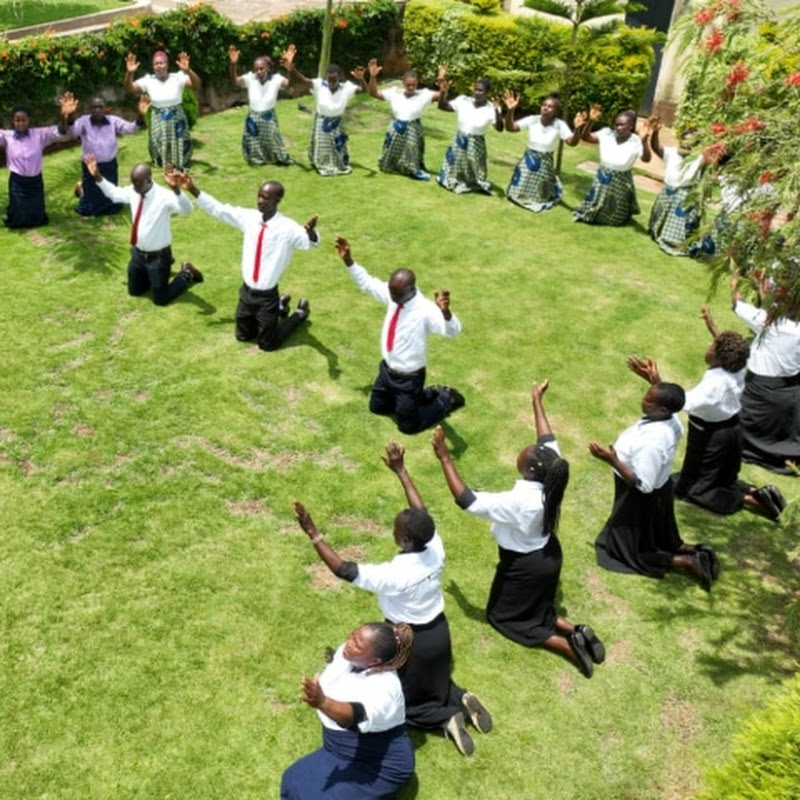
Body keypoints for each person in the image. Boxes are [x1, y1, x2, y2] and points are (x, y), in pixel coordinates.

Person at [293, 441, 492, 757]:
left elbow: (344, 570)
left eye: (397, 528)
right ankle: (461, 698)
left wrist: (314, 534)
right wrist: (401, 471)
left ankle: (447, 719)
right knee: (436, 680)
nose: (394, 529)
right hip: (439, 631)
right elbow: (421, 512)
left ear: (405, 539)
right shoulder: (434, 546)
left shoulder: (395, 573)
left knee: (408, 699)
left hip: (408, 639)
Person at [431, 380, 605, 678]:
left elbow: (467, 500)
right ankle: (577, 630)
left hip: (525, 564)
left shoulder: (521, 501)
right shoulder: (554, 469)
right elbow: (546, 436)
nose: (524, 451)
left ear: (529, 470)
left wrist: (445, 457)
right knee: (538, 606)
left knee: (507, 618)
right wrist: (536, 399)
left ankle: (567, 646)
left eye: (524, 455)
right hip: (549, 553)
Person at [628, 306, 785, 521]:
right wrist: (711, 326)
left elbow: (680, 401)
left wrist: (655, 380)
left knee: (693, 489)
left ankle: (751, 500)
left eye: (712, 346)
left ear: (719, 357)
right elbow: (727, 345)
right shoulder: (735, 366)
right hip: (733, 429)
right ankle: (754, 490)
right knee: (720, 478)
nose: (709, 347)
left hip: (710, 437)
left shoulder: (714, 385)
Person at [588, 375, 716, 590]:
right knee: (658, 535)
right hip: (662, 489)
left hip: (638, 499)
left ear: (662, 410)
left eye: (649, 400)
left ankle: (686, 562)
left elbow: (643, 485)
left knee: (626, 550)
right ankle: (690, 550)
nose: (642, 401)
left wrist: (612, 460)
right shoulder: (670, 419)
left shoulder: (653, 443)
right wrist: (654, 381)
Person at [335, 236, 465, 434]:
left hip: (409, 378)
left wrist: (446, 313)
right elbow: (368, 283)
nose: (392, 298)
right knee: (377, 408)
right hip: (387, 371)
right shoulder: (394, 294)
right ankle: (428, 393)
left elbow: (453, 331)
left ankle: (447, 398)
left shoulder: (425, 310)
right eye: (391, 292)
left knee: (408, 427)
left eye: (396, 294)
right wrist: (348, 261)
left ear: (410, 290)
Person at [180, 173, 318, 350]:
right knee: (243, 336)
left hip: (267, 296)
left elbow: (310, 244)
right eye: (259, 196)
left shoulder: (288, 228)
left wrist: (311, 233)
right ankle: (280, 308)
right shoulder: (249, 218)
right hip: (246, 293)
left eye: (266, 198)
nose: (260, 201)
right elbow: (219, 210)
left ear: (278, 200)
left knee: (267, 345)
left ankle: (299, 314)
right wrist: (192, 188)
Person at [280, 622, 415, 799]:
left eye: (357, 644)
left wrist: (322, 701)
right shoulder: (349, 655)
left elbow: (357, 716)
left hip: (379, 763)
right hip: (339, 750)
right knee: (292, 780)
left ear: (374, 661)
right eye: (353, 635)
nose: (349, 641)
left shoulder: (385, 688)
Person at [85, 155, 203, 306]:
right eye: (133, 183)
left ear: (148, 180)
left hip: (158, 257)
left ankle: (187, 272)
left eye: (138, 184)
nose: (134, 187)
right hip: (138, 255)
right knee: (134, 291)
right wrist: (97, 176)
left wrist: (176, 190)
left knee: (160, 300)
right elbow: (114, 194)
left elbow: (187, 210)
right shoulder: (134, 191)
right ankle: (153, 277)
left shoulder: (164, 196)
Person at [732, 271, 800, 474]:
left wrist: (734, 282)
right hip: (789, 395)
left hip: (760, 394)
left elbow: (736, 304)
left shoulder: (768, 322)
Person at [281, 44, 364, 177]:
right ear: (326, 77)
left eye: (334, 79)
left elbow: (364, 90)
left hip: (337, 121)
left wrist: (361, 79)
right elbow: (303, 80)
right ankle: (323, 164)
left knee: (338, 146)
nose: (331, 82)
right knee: (323, 147)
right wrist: (292, 68)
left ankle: (338, 164)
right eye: (329, 79)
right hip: (322, 121)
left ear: (339, 77)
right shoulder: (319, 85)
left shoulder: (346, 88)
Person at [0, 94, 76, 228]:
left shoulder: (39, 135)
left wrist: (64, 117)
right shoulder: (7, 137)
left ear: (29, 120)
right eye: (18, 120)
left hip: (35, 182)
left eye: (24, 120)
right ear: (13, 121)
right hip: (17, 183)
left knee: (37, 216)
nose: (21, 123)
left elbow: (60, 132)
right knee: (18, 218)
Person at [367, 59, 446, 181]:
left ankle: (413, 170)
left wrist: (441, 79)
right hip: (396, 126)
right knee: (389, 159)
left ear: (417, 83)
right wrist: (373, 77)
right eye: (408, 84)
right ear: (403, 82)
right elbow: (373, 93)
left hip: (413, 127)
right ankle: (393, 166)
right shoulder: (394, 93)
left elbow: (441, 95)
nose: (411, 87)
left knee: (412, 150)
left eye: (413, 85)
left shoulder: (423, 94)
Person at [573, 106, 652, 226]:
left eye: (622, 125)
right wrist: (591, 121)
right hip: (603, 175)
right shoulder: (607, 133)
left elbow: (646, 159)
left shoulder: (636, 140)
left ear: (631, 126)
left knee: (616, 217)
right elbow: (586, 137)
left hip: (621, 179)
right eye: (617, 125)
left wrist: (644, 141)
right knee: (595, 204)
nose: (618, 128)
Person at [72, 94, 148, 217]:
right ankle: (81, 189)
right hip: (91, 167)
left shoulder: (113, 121)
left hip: (110, 166)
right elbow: (71, 131)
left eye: (100, 107)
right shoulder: (83, 122)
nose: (97, 110)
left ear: (105, 108)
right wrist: (69, 115)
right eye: (94, 107)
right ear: (90, 109)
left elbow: (131, 128)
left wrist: (141, 115)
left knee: (112, 204)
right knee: (89, 208)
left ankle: (84, 190)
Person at [504, 91, 581, 212]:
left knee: (540, 197)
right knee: (516, 193)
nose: (545, 108)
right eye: (544, 105)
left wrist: (577, 129)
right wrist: (510, 111)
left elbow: (572, 142)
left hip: (545, 161)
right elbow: (510, 128)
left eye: (550, 107)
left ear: (555, 111)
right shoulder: (533, 119)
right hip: (528, 158)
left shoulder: (559, 125)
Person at [124, 49, 201, 170]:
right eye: (156, 64)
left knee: (180, 141)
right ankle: (163, 162)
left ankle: (181, 161)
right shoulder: (148, 80)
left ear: (167, 65)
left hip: (177, 116)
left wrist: (188, 71)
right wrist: (129, 73)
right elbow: (129, 88)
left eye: (161, 63)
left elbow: (196, 85)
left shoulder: (178, 77)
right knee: (159, 143)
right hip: (158, 117)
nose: (158, 66)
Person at [436, 75, 503, 194]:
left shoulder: (491, 108)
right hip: (460, 138)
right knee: (455, 163)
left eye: (480, 90)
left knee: (473, 168)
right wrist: (443, 92)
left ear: (487, 92)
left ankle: (470, 182)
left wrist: (497, 111)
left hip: (476, 141)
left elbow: (499, 128)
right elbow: (442, 106)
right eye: (475, 89)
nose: (477, 92)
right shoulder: (463, 100)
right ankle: (452, 178)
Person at [647, 119, 705, 255]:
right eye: (684, 140)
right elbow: (656, 148)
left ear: (696, 144)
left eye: (691, 142)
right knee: (659, 220)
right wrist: (655, 133)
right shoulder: (671, 152)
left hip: (684, 195)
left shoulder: (700, 158)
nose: (686, 144)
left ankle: (675, 243)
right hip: (668, 192)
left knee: (678, 227)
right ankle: (658, 234)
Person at [228, 45, 292, 166]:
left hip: (269, 115)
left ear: (268, 68)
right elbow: (235, 81)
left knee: (273, 140)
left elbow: (289, 84)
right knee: (253, 141)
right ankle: (257, 160)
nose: (259, 71)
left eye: (261, 69)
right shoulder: (250, 78)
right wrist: (233, 65)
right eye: (256, 69)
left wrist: (290, 69)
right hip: (253, 115)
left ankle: (279, 158)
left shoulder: (276, 79)